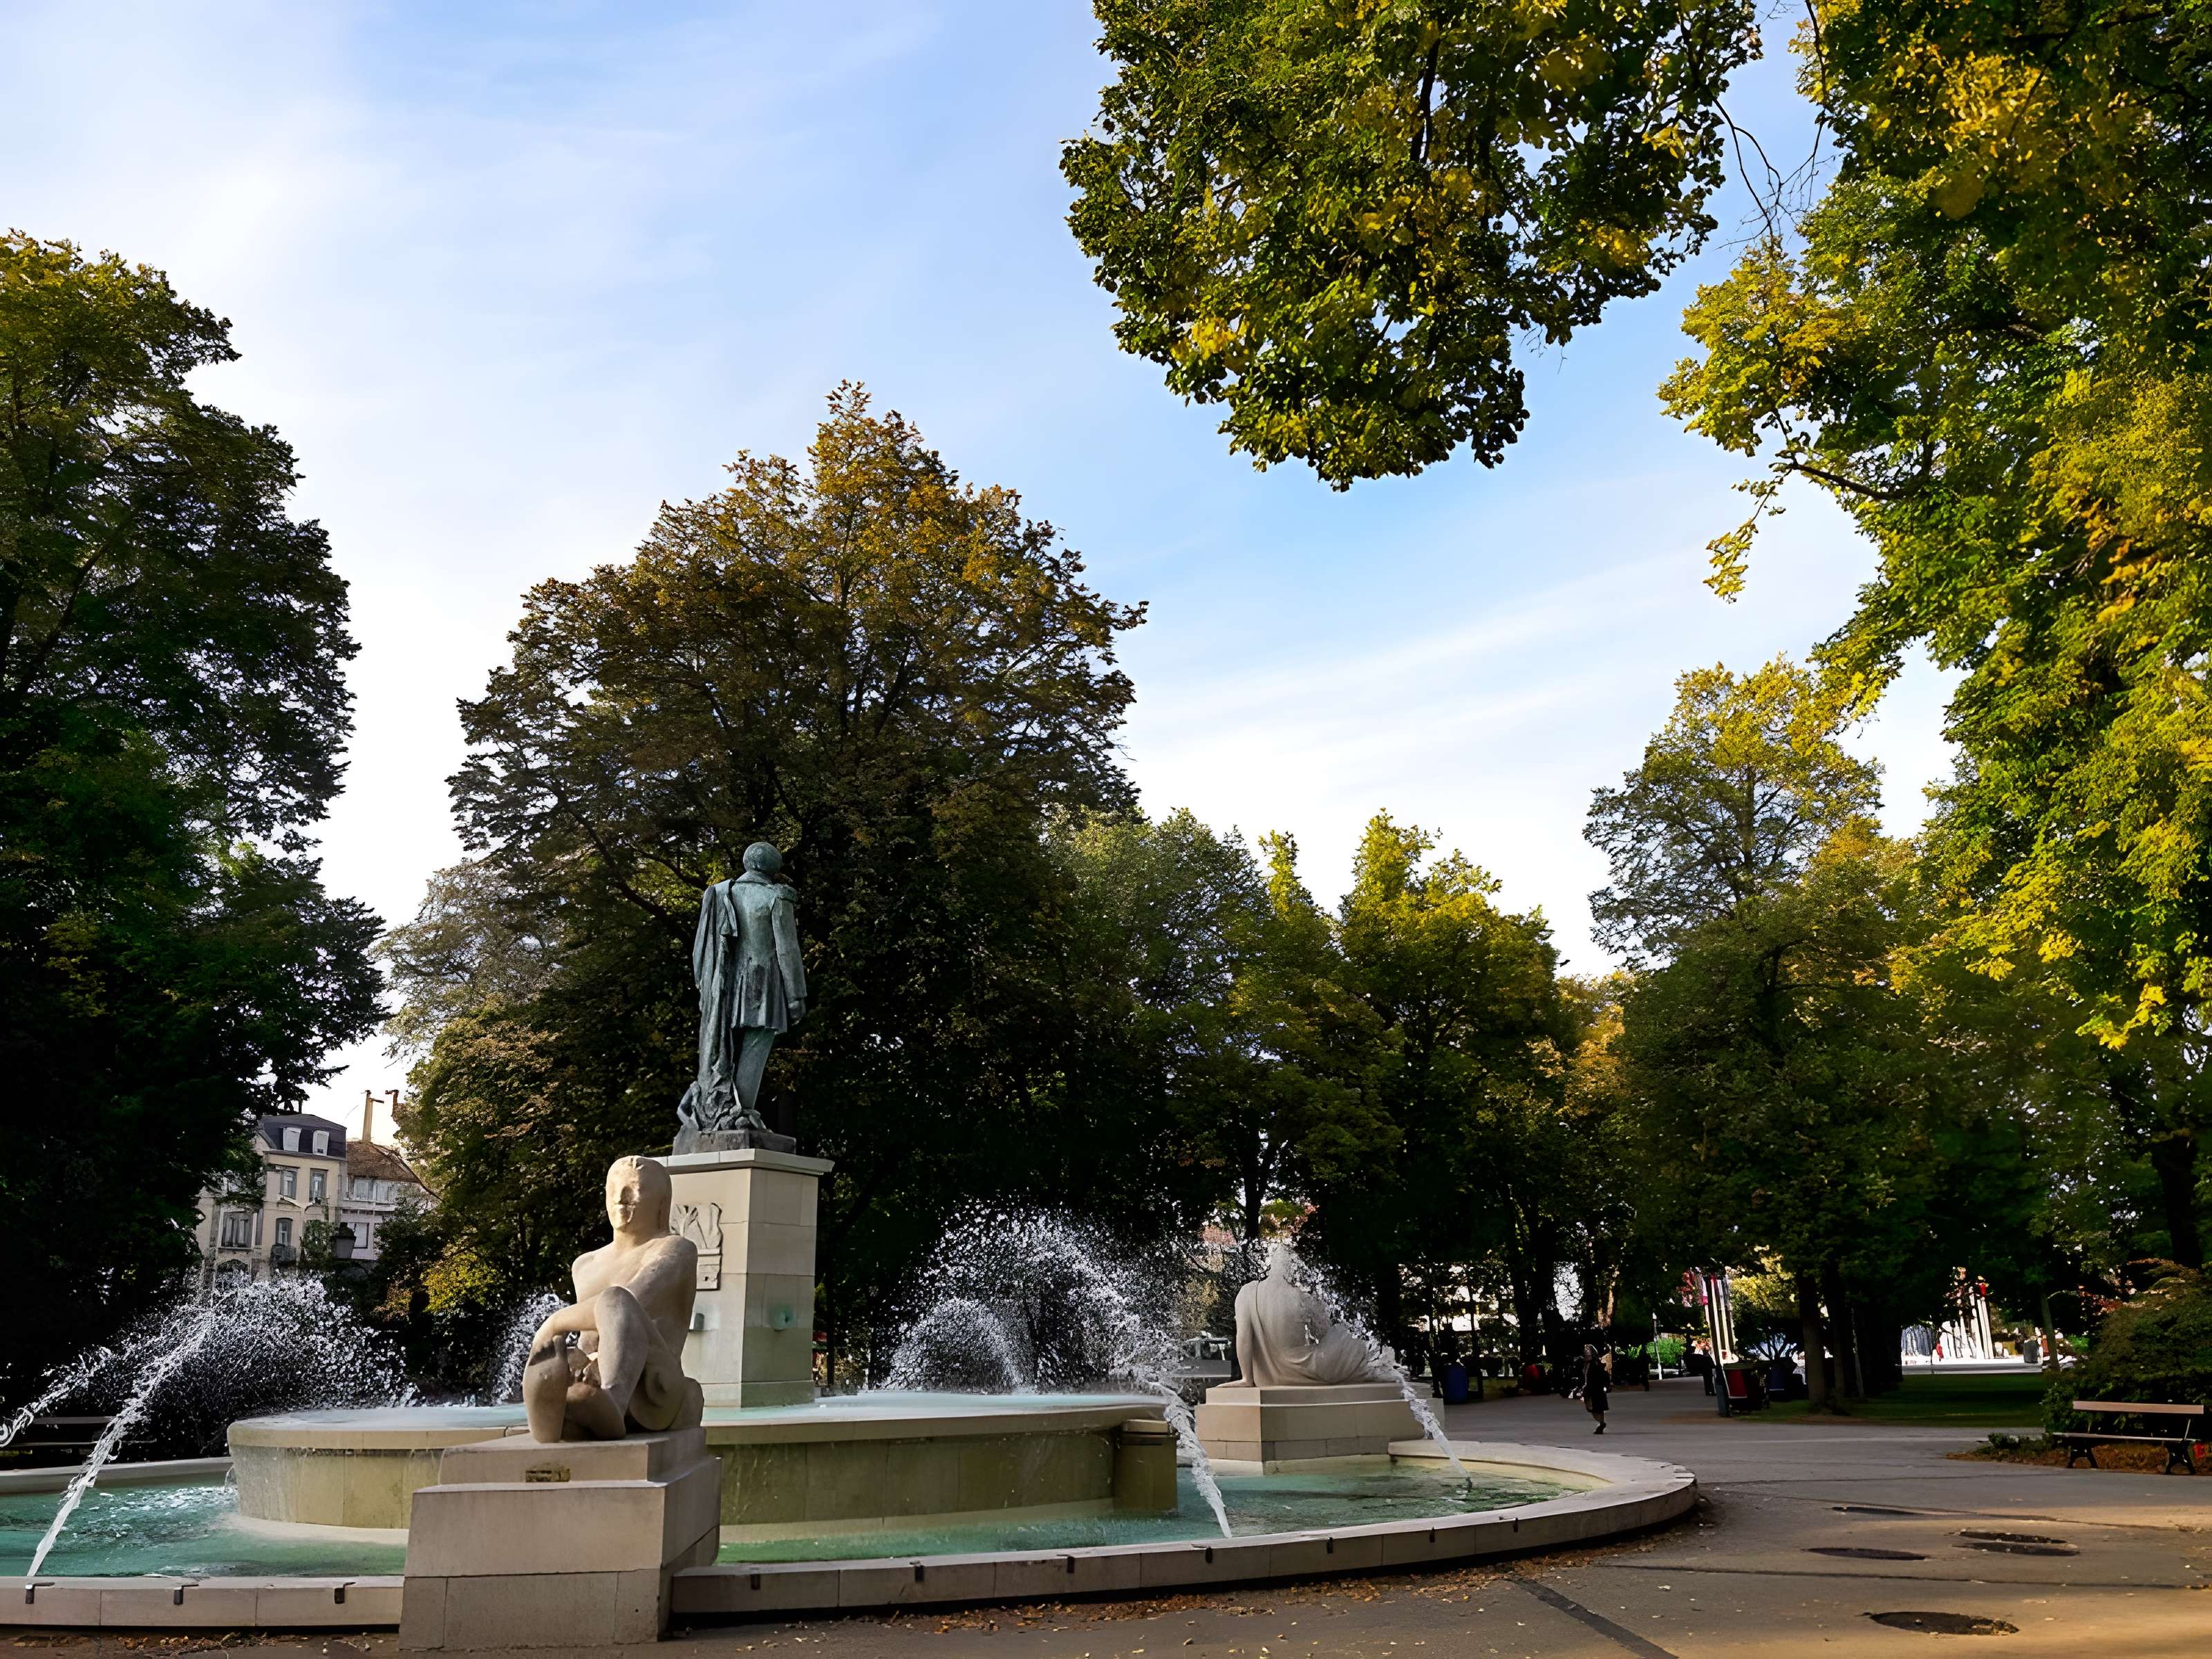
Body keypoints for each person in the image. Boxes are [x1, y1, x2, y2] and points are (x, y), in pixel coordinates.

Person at [523, 1156, 704, 1442]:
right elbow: (590, 1334)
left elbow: (630, 1301)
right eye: (613, 1189)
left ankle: (613, 1402)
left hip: (653, 1386)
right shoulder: (585, 1264)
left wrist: (554, 1322)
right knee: (564, 1356)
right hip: (590, 1378)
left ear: (661, 1202)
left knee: (615, 1299)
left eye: (634, 1189)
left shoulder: (675, 1249)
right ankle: (557, 1414)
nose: (621, 1199)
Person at [1582, 1344, 1611, 1434]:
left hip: (1594, 1390)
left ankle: (1602, 1423)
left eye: (1589, 1354)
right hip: (1595, 1389)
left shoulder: (1595, 1364)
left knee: (1594, 1409)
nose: (1588, 1356)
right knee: (1597, 1409)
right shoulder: (1589, 1364)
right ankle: (1601, 1424)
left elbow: (1603, 1376)